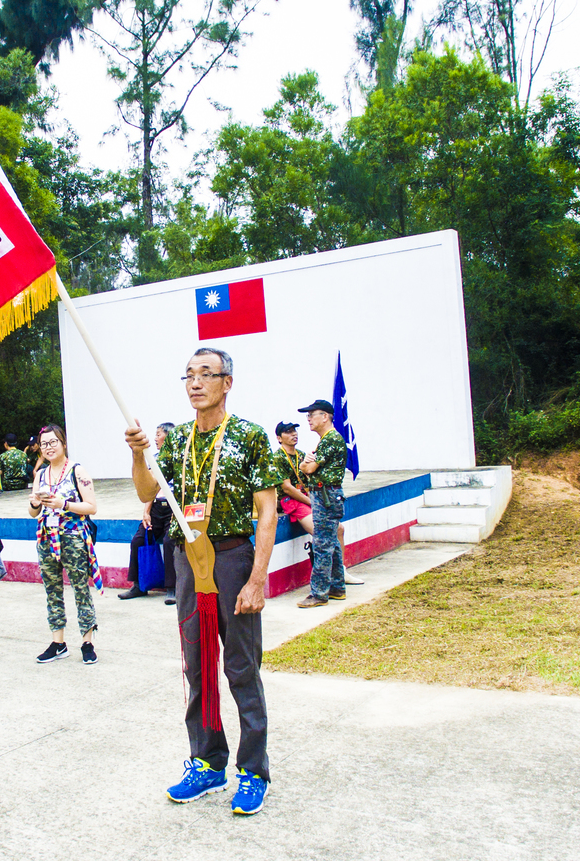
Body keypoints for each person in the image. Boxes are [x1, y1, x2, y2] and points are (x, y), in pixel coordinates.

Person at [123, 347, 276, 816]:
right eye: (188, 375)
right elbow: (149, 491)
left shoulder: (250, 436)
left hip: (231, 559)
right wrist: (138, 455)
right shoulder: (178, 441)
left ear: (226, 382)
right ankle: (207, 763)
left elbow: (267, 510)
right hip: (188, 561)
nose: (195, 383)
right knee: (197, 664)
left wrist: (256, 580)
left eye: (206, 374)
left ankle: (253, 772)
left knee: (241, 667)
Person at [28, 425, 100, 665]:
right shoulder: (40, 474)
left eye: (53, 442)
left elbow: (91, 507)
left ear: (63, 443)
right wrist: (35, 502)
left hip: (73, 537)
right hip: (47, 536)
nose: (49, 447)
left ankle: (87, 642)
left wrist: (64, 504)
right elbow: (31, 512)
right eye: (44, 443)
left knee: (81, 588)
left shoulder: (77, 471)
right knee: (52, 590)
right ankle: (58, 642)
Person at [271, 422, 361, 587]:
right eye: (288, 432)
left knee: (339, 529)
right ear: (279, 438)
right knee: (323, 533)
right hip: (293, 501)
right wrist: (311, 502)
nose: (294, 434)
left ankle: (340, 570)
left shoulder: (301, 454)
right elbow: (287, 488)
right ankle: (330, 578)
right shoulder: (277, 457)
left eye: (294, 431)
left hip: (308, 497)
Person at [297, 400, 349, 608]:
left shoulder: (330, 440)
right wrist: (305, 464)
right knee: (331, 543)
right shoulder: (326, 440)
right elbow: (304, 466)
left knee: (322, 544)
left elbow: (308, 469)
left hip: (326, 495)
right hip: (324, 495)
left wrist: (306, 465)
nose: (309, 419)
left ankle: (319, 592)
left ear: (325, 416)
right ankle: (337, 587)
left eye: (312, 415)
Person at [119, 422, 177, 604]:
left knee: (170, 541)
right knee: (138, 540)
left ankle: (172, 588)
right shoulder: (156, 459)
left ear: (168, 436)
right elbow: (150, 488)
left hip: (175, 508)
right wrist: (147, 512)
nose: (155, 438)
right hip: (157, 508)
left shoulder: (179, 458)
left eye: (159, 434)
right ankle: (139, 585)